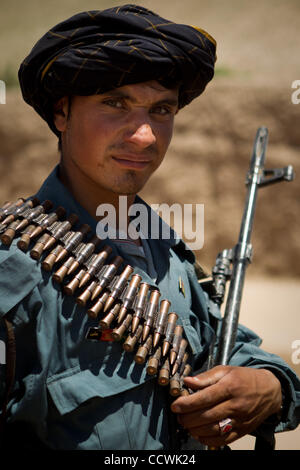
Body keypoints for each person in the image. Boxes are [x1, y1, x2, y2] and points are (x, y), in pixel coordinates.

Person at [0, 4, 299, 451]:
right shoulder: (15, 265)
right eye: (115, 103)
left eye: (161, 109)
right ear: (62, 113)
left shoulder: (164, 249)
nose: (145, 136)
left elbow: (224, 346)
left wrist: (269, 387)